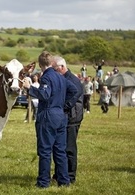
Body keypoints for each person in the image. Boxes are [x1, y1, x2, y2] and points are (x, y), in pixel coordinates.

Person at [22, 51, 78, 188]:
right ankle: (64, 181)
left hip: (48, 115)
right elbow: (75, 90)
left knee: (45, 150)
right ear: (51, 63)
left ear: (40, 65)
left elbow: (45, 95)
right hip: (61, 115)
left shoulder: (46, 78)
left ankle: (43, 182)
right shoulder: (61, 77)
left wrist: (29, 88)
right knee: (60, 150)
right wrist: (65, 105)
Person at [51, 55, 84, 184]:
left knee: (69, 148)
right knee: (60, 148)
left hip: (72, 118)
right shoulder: (62, 78)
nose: (53, 71)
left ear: (62, 67)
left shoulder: (72, 80)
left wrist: (62, 107)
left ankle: (70, 176)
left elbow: (73, 97)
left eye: (55, 68)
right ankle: (60, 174)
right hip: (64, 117)